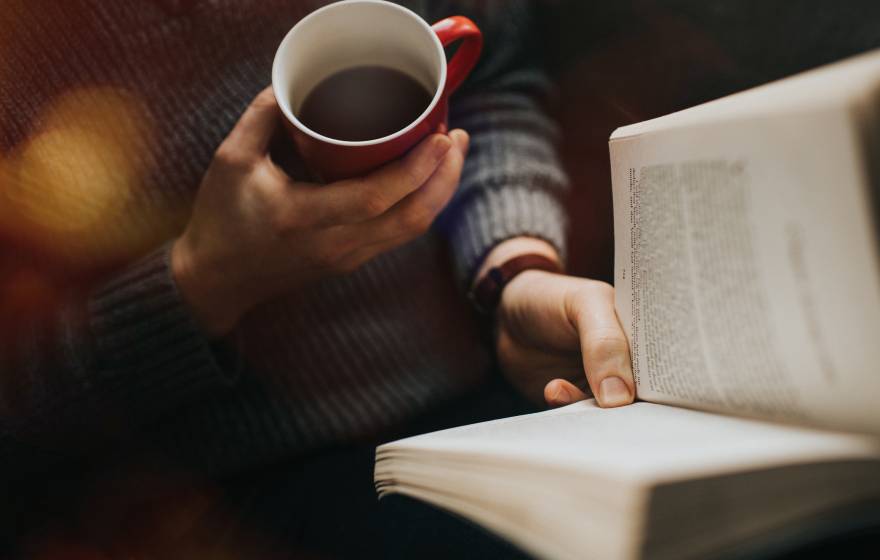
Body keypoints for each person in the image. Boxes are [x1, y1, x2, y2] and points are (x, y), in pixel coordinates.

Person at [0, 0, 633, 556]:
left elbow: (493, 80)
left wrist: (513, 272)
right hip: (219, 493)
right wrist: (204, 279)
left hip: (482, 392)